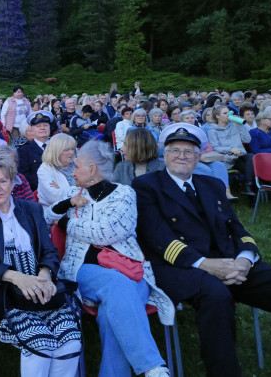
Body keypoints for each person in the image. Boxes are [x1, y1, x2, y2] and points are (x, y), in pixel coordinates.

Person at [132, 124, 271, 377]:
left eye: (189, 152)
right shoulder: (146, 185)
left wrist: (244, 260)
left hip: (228, 262)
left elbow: (236, 228)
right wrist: (207, 265)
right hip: (176, 266)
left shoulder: (212, 184)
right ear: (164, 154)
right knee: (216, 295)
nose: (182, 156)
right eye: (175, 150)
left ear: (199, 157)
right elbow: (157, 237)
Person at [46, 141, 172, 377]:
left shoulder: (124, 194)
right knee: (117, 285)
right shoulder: (73, 193)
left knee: (112, 311)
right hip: (85, 270)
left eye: (77, 166)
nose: (73, 171)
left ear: (92, 169)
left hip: (131, 269)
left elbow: (107, 233)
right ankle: (152, 366)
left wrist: (66, 223)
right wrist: (66, 205)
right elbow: (47, 216)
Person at [0, 146, 82, 377]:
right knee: (41, 344)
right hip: (3, 291)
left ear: (13, 181)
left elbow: (49, 251)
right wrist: (17, 278)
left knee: (70, 343)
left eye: (3, 181)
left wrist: (45, 275)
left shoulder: (33, 209)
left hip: (42, 284)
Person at [207, 105, 255, 194]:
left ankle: (247, 186)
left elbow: (248, 140)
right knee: (250, 168)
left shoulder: (234, 126)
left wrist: (239, 125)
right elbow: (216, 147)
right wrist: (230, 149)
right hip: (226, 158)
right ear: (218, 116)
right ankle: (249, 189)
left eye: (229, 113)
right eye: (225, 113)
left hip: (240, 156)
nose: (228, 115)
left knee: (251, 157)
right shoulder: (212, 130)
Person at [36, 133, 77, 210]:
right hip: (55, 212)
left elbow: (92, 186)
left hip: (80, 208)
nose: (71, 152)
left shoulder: (78, 163)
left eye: (72, 149)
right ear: (56, 151)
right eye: (67, 149)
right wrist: (81, 189)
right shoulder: (45, 169)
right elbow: (54, 196)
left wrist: (62, 189)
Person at [17, 111, 54, 191]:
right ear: (32, 130)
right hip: (37, 191)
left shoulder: (58, 146)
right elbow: (24, 176)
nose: (42, 128)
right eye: (38, 126)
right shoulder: (23, 151)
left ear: (50, 128)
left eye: (45, 125)